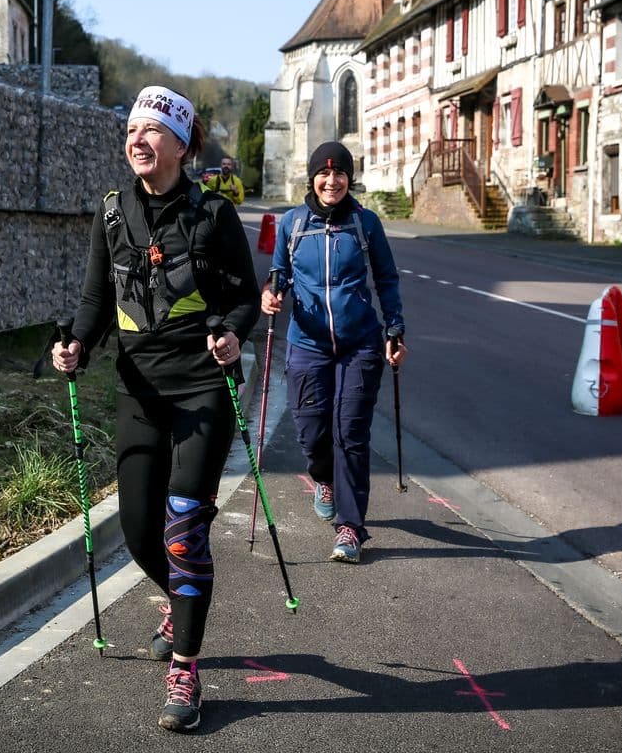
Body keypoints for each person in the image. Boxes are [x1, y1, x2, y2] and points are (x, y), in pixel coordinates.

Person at [51, 84, 260, 732]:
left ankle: (187, 671)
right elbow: (93, 298)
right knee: (141, 528)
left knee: (182, 530)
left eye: (151, 131)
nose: (137, 141)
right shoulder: (112, 213)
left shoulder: (211, 215)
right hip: (138, 389)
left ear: (179, 142)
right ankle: (180, 598)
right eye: (131, 132)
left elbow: (243, 296)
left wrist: (230, 332)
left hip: (201, 389)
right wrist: (77, 345)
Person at [261, 140, 405, 564]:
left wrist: (394, 327)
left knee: (350, 433)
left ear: (349, 178)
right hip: (307, 344)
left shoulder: (366, 223)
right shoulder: (292, 224)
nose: (332, 180)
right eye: (324, 174)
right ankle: (323, 478)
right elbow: (279, 275)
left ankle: (350, 526)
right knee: (312, 432)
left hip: (359, 344)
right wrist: (272, 295)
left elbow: (387, 279)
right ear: (312, 178)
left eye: (340, 173)